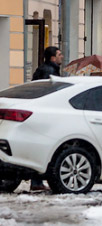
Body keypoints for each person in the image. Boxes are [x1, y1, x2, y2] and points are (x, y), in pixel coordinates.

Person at [29, 46, 63, 191]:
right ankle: (37, 181)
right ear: (53, 58)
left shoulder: (45, 69)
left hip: (39, 111)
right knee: (43, 146)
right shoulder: (50, 72)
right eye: (59, 54)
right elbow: (50, 92)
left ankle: (37, 181)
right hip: (44, 113)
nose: (62, 56)